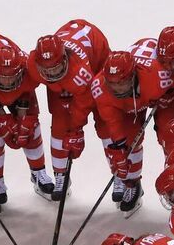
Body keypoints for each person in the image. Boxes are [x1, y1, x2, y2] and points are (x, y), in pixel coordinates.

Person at [90, 39, 174, 214]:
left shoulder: (160, 77)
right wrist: (119, 146)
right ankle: (132, 183)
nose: (117, 89)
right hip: (131, 102)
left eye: (121, 83)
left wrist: (169, 94)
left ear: (133, 75)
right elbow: (113, 122)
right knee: (127, 139)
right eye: (112, 84)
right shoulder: (100, 88)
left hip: (157, 93)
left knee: (171, 135)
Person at [27, 19, 111, 200]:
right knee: (59, 119)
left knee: (106, 119)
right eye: (46, 69)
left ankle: (124, 179)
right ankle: (61, 176)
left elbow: (84, 103)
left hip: (97, 55)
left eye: (55, 68)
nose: (51, 74)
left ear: (64, 59)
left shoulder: (80, 72)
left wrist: (76, 130)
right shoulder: (32, 65)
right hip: (70, 67)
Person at [0, 33, 54, 207]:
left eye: (12, 76)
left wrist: (22, 119)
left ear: (20, 70)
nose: (7, 82)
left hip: (14, 88)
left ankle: (38, 173)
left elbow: (26, 92)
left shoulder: (30, 69)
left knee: (30, 125)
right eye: (3, 77)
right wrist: (1, 117)